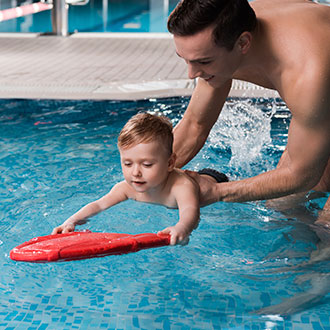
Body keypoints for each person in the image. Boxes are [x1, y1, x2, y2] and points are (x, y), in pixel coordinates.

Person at [167, 0, 330, 226]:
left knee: (326, 230)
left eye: (202, 62)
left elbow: (301, 175)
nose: (191, 74)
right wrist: (150, 172)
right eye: (185, 59)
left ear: (243, 43)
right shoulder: (226, 28)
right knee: (282, 204)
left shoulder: (305, 74)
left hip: (319, 78)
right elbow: (195, 125)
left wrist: (217, 190)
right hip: (323, 98)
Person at [51, 113, 228, 245]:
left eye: (147, 165)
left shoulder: (180, 186)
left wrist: (183, 227)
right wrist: (71, 221)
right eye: (128, 164)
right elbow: (98, 205)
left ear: (170, 163)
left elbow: (191, 210)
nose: (135, 173)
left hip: (215, 179)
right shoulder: (127, 188)